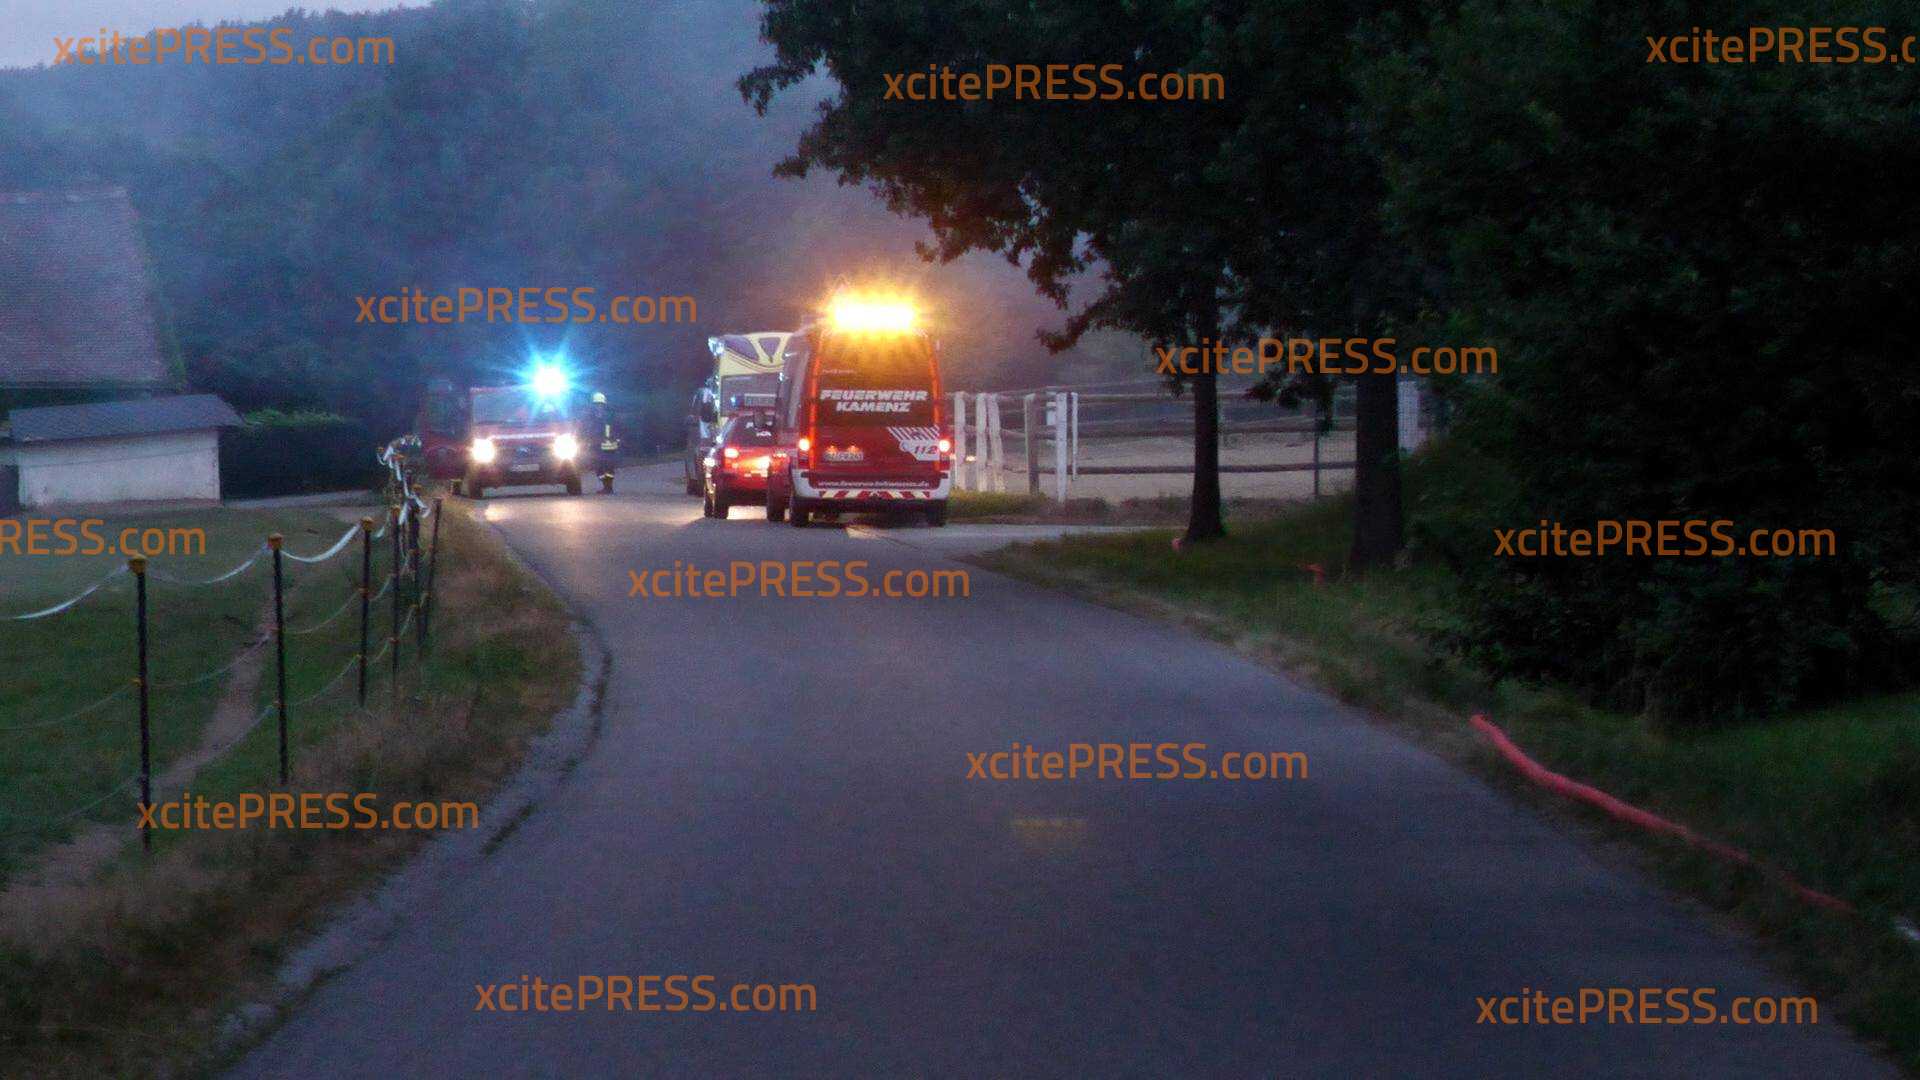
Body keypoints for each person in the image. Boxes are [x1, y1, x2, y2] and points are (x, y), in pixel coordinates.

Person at [589, 391, 620, 492]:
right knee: (600, 468)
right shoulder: (595, 416)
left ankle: (608, 487)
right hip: (599, 446)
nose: (598, 406)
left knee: (608, 468)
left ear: (603, 405)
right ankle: (606, 486)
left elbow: (617, 428)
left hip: (607, 447)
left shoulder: (606, 417)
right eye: (596, 404)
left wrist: (616, 439)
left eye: (599, 404)